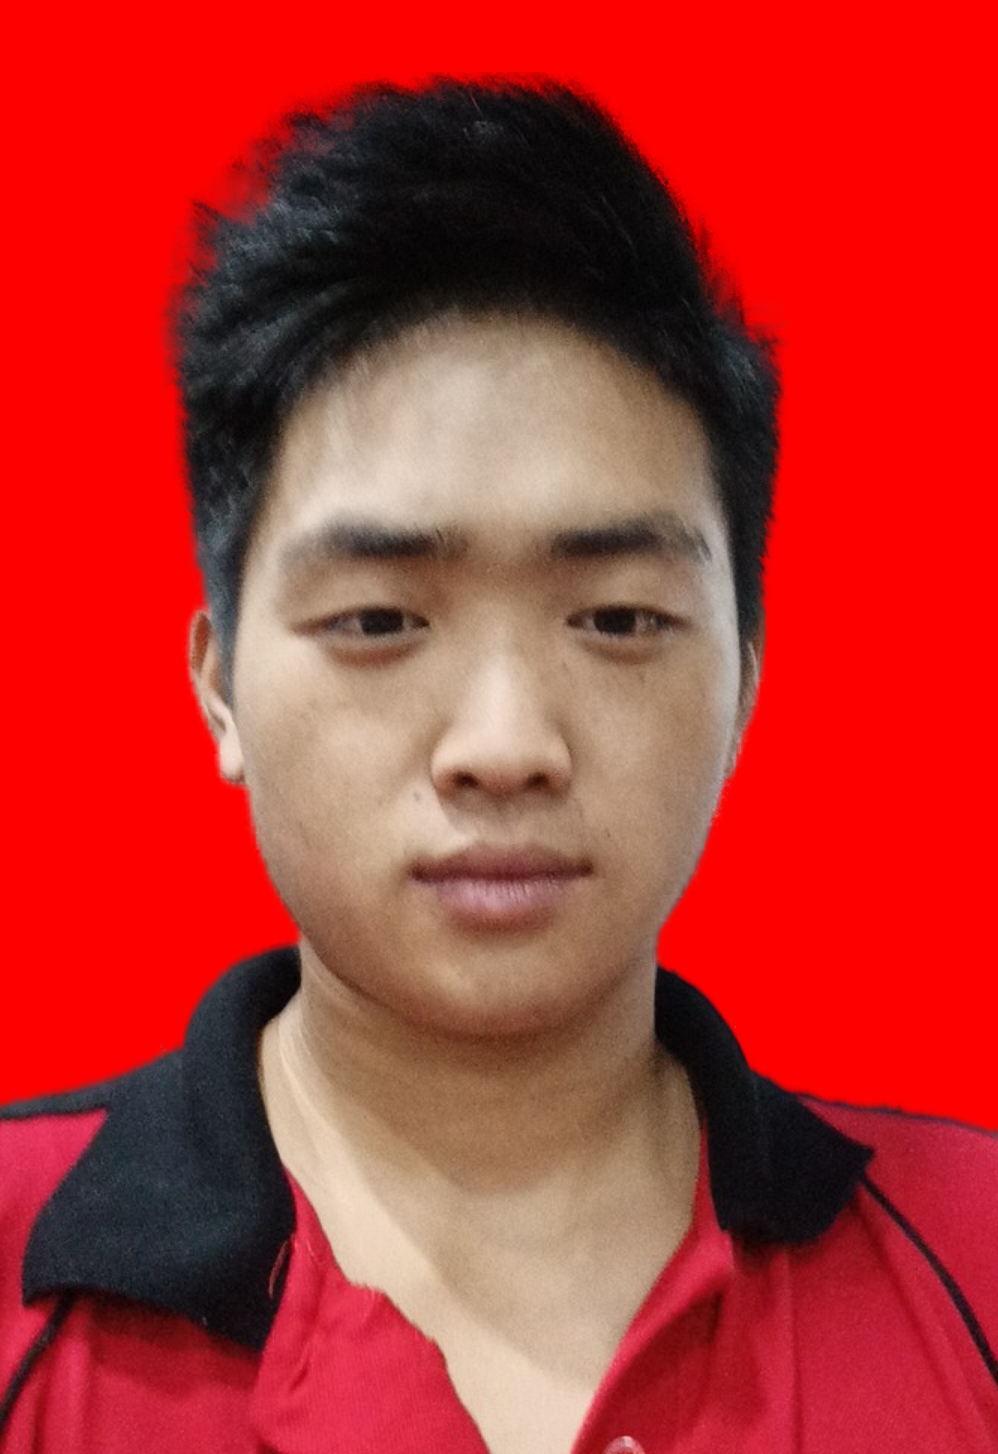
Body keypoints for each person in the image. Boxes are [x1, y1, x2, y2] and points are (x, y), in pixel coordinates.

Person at [0, 77, 994, 1454]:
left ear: (747, 679)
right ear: (219, 682)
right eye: (378, 621)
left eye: (618, 620)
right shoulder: (19, 1290)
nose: (506, 747)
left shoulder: (972, 1263)